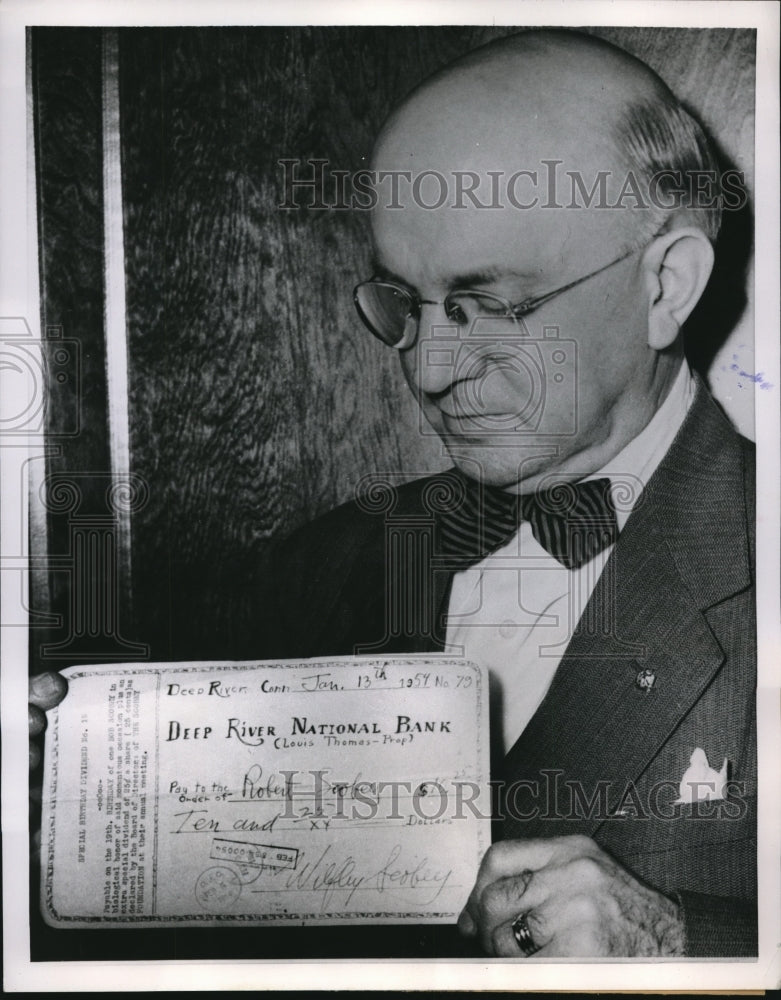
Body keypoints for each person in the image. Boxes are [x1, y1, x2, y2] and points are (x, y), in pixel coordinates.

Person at [29, 28, 756, 958]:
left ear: (667, 285)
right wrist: (62, 796)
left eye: (488, 305)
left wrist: (681, 946)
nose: (430, 370)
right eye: (404, 306)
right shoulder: (311, 574)